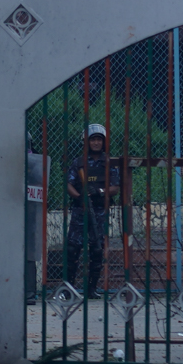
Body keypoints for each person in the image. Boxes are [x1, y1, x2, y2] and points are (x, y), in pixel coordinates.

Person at [64, 123, 122, 297]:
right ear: (87, 142)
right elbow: (69, 184)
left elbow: (115, 187)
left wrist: (99, 191)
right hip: (80, 210)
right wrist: (78, 197)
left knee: (97, 249)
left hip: (99, 210)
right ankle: (68, 290)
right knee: (73, 248)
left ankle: (91, 290)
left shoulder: (109, 162)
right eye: (93, 140)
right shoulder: (78, 162)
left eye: (99, 140)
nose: (96, 143)